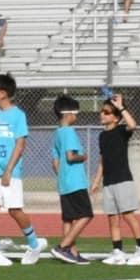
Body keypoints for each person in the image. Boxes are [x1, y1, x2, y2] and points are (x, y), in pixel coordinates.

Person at [0, 74, 44, 267]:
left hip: (10, 172)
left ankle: (34, 244)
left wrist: (8, 170)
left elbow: (20, 144)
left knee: (15, 210)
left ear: (3, 93)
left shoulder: (18, 115)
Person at [90, 91, 140, 266]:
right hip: (108, 182)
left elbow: (133, 124)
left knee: (128, 216)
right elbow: (102, 160)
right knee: (112, 218)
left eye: (107, 112)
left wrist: (121, 107)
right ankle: (118, 252)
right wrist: (96, 181)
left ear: (115, 118)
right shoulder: (102, 136)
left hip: (123, 180)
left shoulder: (122, 130)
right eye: (102, 111)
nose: (102, 114)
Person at [48, 94, 92, 264]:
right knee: (86, 214)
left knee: (69, 218)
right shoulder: (69, 132)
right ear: (67, 114)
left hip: (64, 182)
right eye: (75, 113)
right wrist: (84, 156)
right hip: (75, 182)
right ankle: (63, 246)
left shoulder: (57, 133)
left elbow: (55, 162)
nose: (77, 116)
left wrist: (62, 177)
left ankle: (72, 252)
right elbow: (70, 156)